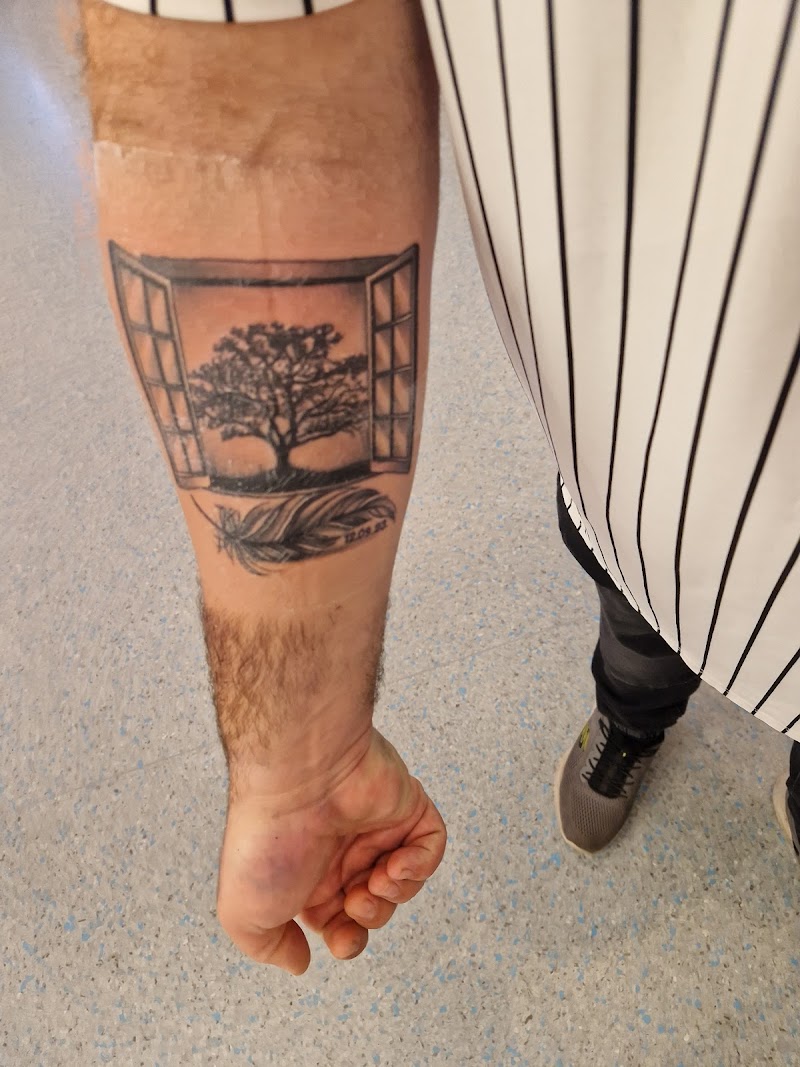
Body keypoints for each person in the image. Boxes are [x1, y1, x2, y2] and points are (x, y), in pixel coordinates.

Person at [79, 0, 799, 975]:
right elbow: (251, 117)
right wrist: (301, 748)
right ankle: (631, 717)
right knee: (642, 616)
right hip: (667, 450)